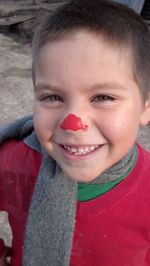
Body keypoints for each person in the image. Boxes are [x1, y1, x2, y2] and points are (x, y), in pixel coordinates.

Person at [0, 0, 150, 265]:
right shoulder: (10, 159)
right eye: (53, 96)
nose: (73, 123)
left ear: (145, 108)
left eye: (103, 97)